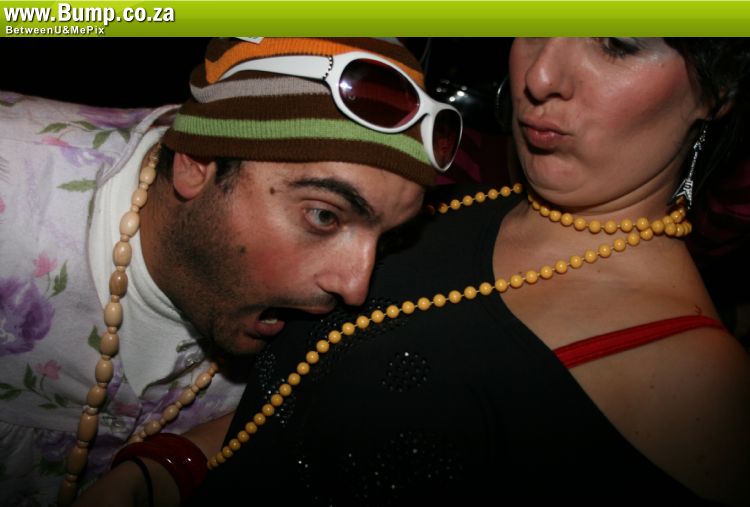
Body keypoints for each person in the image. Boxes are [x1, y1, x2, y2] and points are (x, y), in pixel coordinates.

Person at [75, 37, 750, 507]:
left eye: (617, 44)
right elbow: (315, 407)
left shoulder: (701, 379)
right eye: (534, 20)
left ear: (717, 89)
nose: (541, 75)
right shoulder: (443, 202)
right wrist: (171, 469)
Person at [0, 37, 463, 507]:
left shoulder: (333, 332)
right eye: (324, 215)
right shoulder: (11, 187)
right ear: (197, 163)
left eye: (388, 239)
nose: (355, 287)